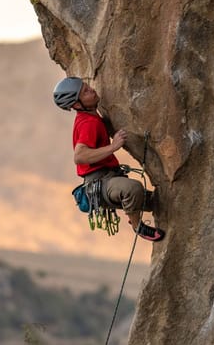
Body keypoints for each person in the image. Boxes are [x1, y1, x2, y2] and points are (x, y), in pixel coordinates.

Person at [53, 77, 165, 242]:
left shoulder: (92, 117)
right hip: (99, 182)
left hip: (109, 177)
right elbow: (80, 156)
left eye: (87, 87)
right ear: (77, 105)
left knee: (155, 201)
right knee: (133, 189)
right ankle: (137, 226)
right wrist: (113, 147)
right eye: (85, 92)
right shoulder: (88, 123)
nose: (91, 89)